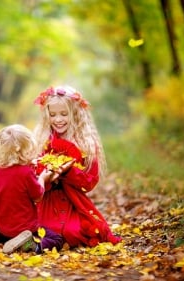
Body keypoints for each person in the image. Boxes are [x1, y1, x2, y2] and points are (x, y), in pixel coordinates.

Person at [33, 85, 122, 247]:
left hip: (73, 202)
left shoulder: (86, 143)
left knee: (74, 233)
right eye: (52, 115)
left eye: (64, 114)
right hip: (47, 201)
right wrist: (46, 175)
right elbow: (32, 175)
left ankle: (51, 241)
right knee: (38, 230)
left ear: (75, 114)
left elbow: (89, 182)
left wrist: (69, 172)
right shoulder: (42, 140)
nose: (58, 120)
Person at [0, 124, 64, 254]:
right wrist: (42, 178)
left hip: (4, 225)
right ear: (24, 152)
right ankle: (32, 245)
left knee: (8, 231)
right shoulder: (25, 173)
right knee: (56, 239)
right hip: (25, 227)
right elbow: (38, 196)